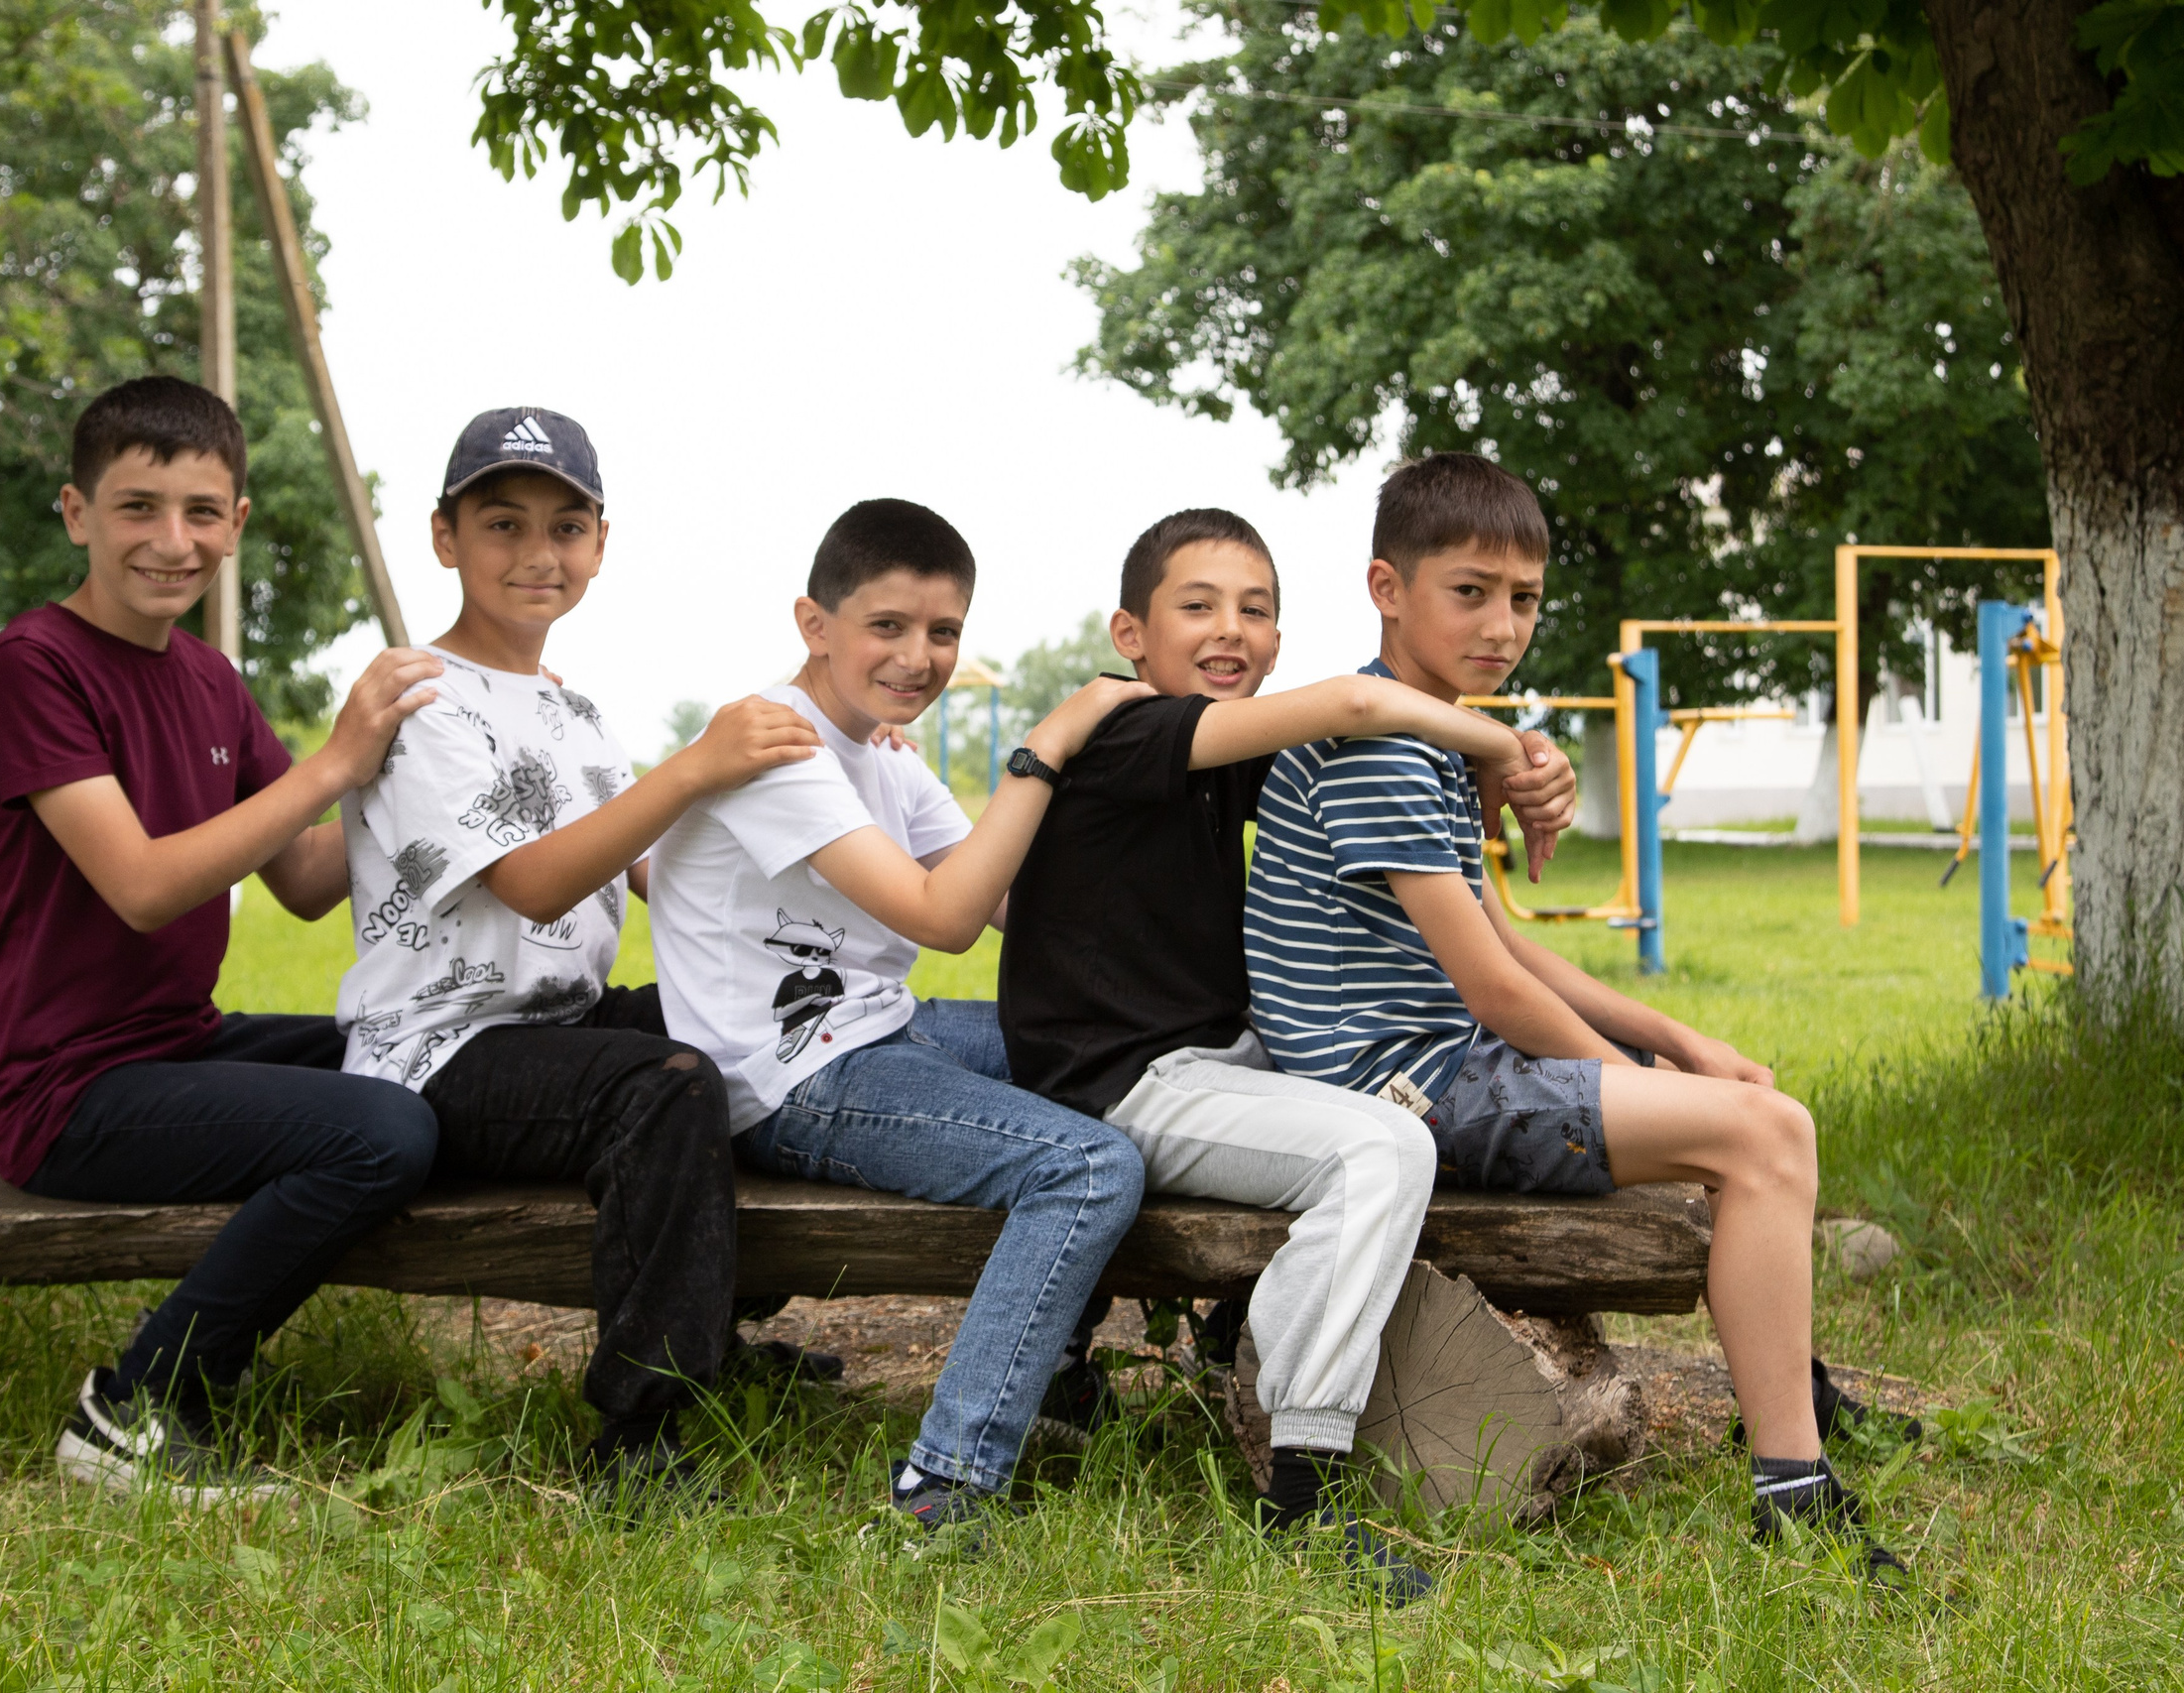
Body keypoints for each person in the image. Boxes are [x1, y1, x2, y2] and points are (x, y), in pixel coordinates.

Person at [1242, 452, 1899, 1573]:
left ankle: (1792, 1400)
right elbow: (1491, 990)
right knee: (1764, 1134)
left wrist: (1679, 1041)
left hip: (1443, 1057)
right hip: (1394, 1095)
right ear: (1385, 588)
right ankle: (1794, 1493)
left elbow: (1500, 938)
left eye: (1524, 599)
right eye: (1470, 592)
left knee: (1740, 1096)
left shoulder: (1436, 731)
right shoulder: (1386, 747)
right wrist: (1647, 1081)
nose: (1502, 625)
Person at [997, 508, 1575, 1600]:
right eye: (1198, 607)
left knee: (1379, 1101)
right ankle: (1300, 1494)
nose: (1232, 631)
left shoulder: (1227, 752)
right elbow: (1358, 702)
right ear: (1130, 633)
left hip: (1231, 1059)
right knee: (1381, 1150)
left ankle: (1236, 1337)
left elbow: (1361, 762)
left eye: (1256, 610)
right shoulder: (1131, 729)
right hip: (1131, 1083)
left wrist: (1521, 777)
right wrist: (1508, 742)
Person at [0, 375, 446, 1500]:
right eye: (137, 507)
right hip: (64, 1092)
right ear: (78, 512)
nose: (169, 541)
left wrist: (454, 802)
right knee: (380, 1131)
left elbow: (310, 879)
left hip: (177, 1042)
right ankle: (137, 1404)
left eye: (198, 512)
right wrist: (333, 764)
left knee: (423, 1049)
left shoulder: (211, 679)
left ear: (235, 522)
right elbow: (140, 887)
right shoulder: (32, 666)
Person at [335, 407, 829, 1501]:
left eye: (564, 528)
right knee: (665, 1087)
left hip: (555, 1026)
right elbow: (534, 879)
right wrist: (694, 766)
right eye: (502, 524)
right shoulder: (422, 699)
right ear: (443, 537)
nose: (536, 554)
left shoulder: (574, 710)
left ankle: (718, 1335)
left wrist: (823, 737)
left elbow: (649, 870)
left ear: (600, 545)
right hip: (440, 1050)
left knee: (733, 1031)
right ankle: (640, 1435)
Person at [642, 497, 1152, 1538]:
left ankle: (1050, 1360)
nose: (918, 657)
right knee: (1087, 1165)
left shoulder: (881, 750)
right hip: (787, 1078)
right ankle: (948, 1480)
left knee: (1116, 1056)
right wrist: (1045, 745)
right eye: (887, 626)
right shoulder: (778, 747)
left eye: (943, 632)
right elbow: (945, 916)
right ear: (813, 623)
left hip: (881, 1033)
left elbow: (1019, 903)